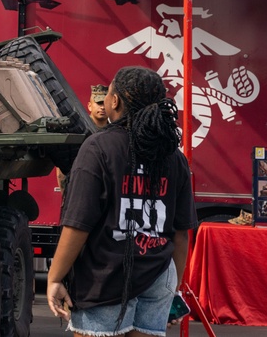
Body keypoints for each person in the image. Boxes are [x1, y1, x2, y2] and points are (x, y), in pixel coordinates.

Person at [47, 66, 197, 337]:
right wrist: (172, 291)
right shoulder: (174, 157)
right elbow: (182, 233)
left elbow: (78, 224)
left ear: (114, 101)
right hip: (158, 275)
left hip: (105, 277)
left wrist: (55, 277)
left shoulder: (98, 148)